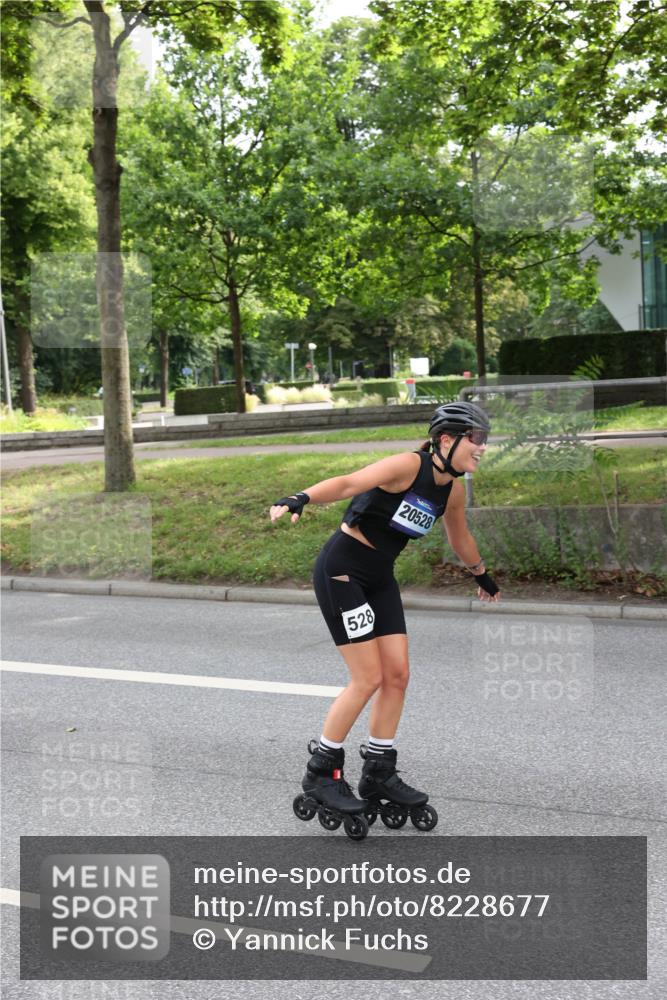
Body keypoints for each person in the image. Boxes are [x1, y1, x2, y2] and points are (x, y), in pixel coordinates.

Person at [270, 401, 500, 839]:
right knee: (367, 677)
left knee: (397, 674)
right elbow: (349, 482)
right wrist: (301, 497)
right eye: (477, 439)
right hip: (343, 572)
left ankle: (378, 769)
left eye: (484, 440)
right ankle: (321, 771)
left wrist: (481, 574)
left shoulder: (452, 489)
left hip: (379, 578)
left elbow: (460, 535)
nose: (482, 448)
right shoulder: (405, 466)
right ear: (447, 440)